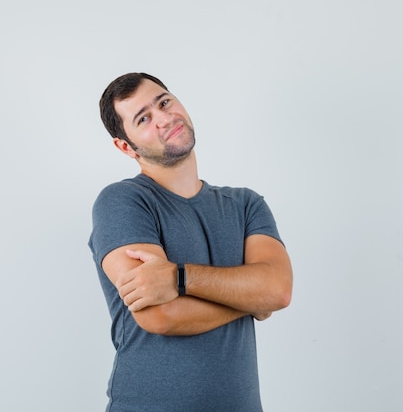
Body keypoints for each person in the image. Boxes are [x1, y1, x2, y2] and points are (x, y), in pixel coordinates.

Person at [89, 72, 293, 412]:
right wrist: (252, 299)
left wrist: (178, 278)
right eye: (144, 118)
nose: (165, 118)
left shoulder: (246, 204)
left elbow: (278, 291)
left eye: (164, 102)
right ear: (126, 146)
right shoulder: (122, 202)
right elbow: (161, 316)